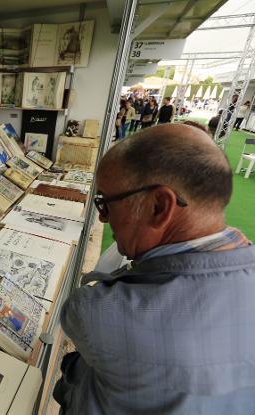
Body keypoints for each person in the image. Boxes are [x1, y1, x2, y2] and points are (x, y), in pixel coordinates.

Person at [53, 123, 255, 414]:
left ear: (158, 206)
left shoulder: (104, 310)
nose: (104, 220)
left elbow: (75, 316)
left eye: (106, 204)